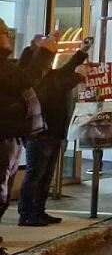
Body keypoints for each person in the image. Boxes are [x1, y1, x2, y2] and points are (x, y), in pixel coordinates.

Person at [19, 38, 91, 227]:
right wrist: (77, 77)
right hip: (40, 133)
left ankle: (38, 210)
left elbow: (65, 70)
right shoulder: (33, 76)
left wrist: (82, 52)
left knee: (45, 175)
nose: (52, 58)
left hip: (53, 132)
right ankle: (26, 213)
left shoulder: (48, 74)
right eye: (49, 54)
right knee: (35, 175)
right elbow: (55, 87)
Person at [0, 24, 56, 255]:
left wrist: (33, 50)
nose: (8, 36)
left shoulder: (5, 64)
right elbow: (25, 79)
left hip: (10, 135)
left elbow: (17, 74)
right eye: (3, 33)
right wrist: (43, 53)